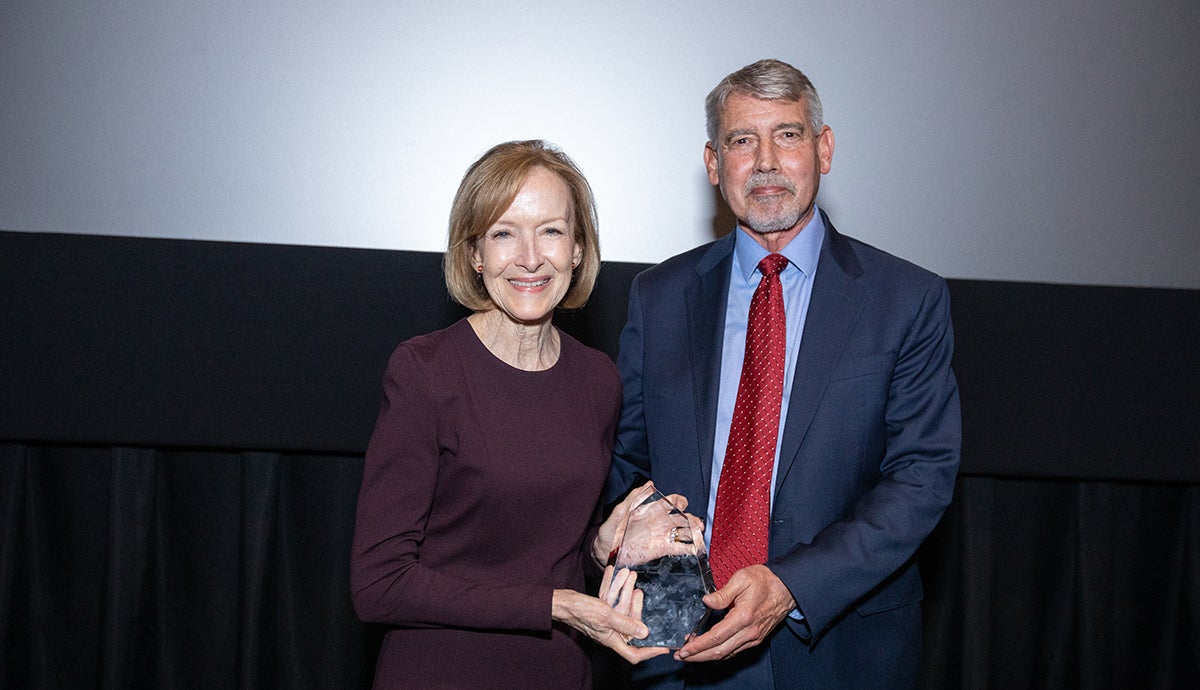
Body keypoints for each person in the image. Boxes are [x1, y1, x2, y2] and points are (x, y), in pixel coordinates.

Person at [603, 59, 962, 688]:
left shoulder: (905, 299)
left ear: (823, 149)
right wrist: (608, 540)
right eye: (743, 140)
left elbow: (922, 477)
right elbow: (623, 466)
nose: (766, 161)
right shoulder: (658, 298)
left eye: (788, 135)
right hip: (678, 651)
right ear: (714, 164)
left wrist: (791, 585)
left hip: (841, 650)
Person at [350, 140, 671, 689]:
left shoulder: (599, 380)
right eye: (503, 232)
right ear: (475, 255)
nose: (529, 256)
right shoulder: (425, 371)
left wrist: (606, 547)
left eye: (550, 230)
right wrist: (556, 606)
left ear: (577, 249)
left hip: (558, 674)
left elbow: (556, 552)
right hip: (441, 674)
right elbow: (379, 584)